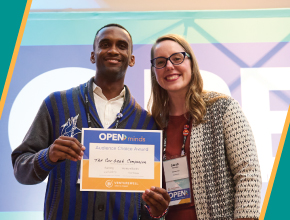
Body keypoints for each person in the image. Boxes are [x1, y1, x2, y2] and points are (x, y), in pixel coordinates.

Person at [11, 24, 170, 220]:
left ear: (132, 59)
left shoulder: (147, 123)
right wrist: (48, 155)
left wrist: (157, 212)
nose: (113, 50)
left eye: (121, 45)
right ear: (93, 55)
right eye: (105, 44)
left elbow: (148, 203)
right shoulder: (56, 104)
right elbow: (20, 169)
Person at [149, 34, 262, 220]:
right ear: (155, 72)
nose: (169, 66)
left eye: (177, 58)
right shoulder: (153, 124)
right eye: (160, 62)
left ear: (191, 63)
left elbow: (248, 173)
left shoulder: (223, 108)